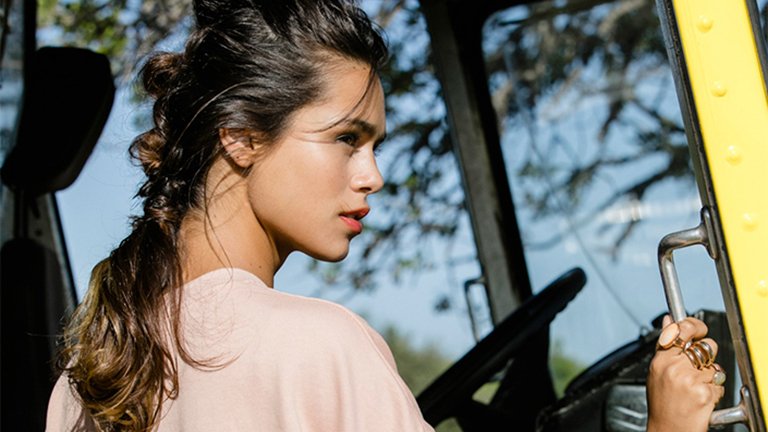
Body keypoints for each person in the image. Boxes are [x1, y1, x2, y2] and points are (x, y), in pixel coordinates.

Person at [45, 0, 725, 431]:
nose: (372, 176)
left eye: (375, 145)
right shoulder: (318, 347)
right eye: (346, 139)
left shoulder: (92, 376)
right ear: (242, 136)